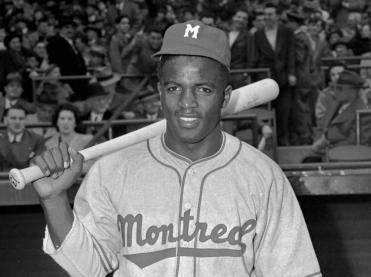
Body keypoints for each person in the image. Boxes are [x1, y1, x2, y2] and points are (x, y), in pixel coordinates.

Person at [32, 20, 321, 277]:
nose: (186, 102)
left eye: (203, 89)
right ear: (159, 92)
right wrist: (55, 200)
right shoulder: (112, 171)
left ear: (226, 97)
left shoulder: (263, 176)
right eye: (174, 88)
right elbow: (88, 268)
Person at [249, 3, 296, 145]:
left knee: (285, 112)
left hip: (283, 78)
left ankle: (283, 142)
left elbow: (291, 53)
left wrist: (292, 73)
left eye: (271, 14)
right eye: (266, 14)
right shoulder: (258, 34)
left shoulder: (286, 31)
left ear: (277, 16)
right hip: (265, 80)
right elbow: (255, 57)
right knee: (266, 113)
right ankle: (269, 143)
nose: (268, 17)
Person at [45, 103, 94, 173]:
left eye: (70, 119)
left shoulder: (88, 139)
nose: (66, 122)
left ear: (75, 123)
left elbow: (93, 164)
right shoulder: (48, 142)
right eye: (62, 118)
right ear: (57, 122)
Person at [0, 104, 45, 170]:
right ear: (5, 120)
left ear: (25, 120)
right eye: (13, 118)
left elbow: (39, 166)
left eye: (21, 119)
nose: (17, 122)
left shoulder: (37, 140)